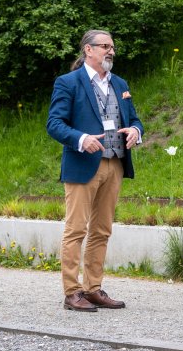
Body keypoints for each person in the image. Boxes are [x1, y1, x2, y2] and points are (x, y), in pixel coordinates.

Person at [46, 29, 143, 312]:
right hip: (81, 165)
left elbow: (135, 118)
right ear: (88, 50)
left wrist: (136, 131)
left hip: (114, 163)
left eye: (112, 47)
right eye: (105, 46)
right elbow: (54, 123)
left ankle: (93, 288)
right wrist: (80, 139)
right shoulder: (69, 83)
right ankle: (71, 291)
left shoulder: (120, 83)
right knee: (76, 229)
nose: (110, 51)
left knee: (102, 230)